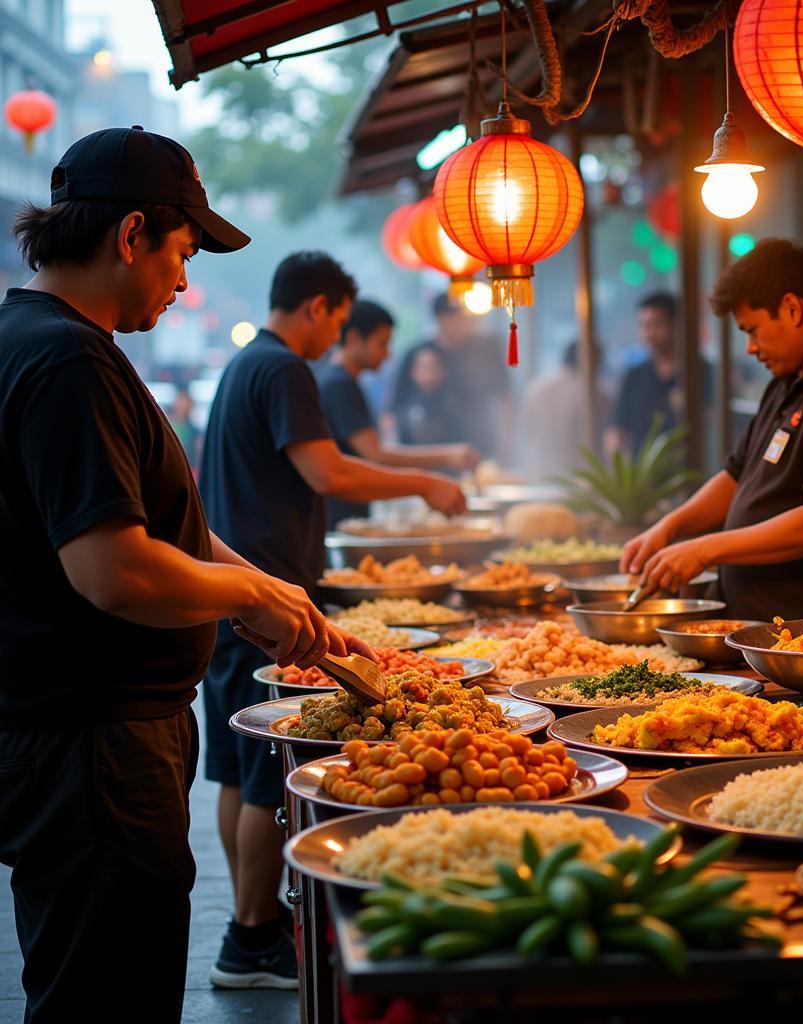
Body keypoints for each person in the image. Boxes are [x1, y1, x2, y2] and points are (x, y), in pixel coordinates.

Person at [0, 127, 359, 1024]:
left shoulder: (41, 339)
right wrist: (252, 592)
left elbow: (176, 533)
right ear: (131, 237)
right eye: (183, 253)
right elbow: (113, 571)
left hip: (89, 743)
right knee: (107, 997)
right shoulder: (67, 361)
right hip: (93, 751)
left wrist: (279, 598)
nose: (186, 281)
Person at [199, 252, 465, 990]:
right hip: (266, 602)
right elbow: (331, 472)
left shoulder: (246, 361)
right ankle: (253, 938)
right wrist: (428, 482)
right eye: (340, 321)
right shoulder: (286, 368)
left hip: (239, 594)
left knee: (235, 767)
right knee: (261, 779)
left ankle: (247, 925)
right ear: (318, 307)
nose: (336, 337)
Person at [621, 239, 803, 621]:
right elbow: (736, 478)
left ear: (791, 309)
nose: (751, 348)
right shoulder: (786, 383)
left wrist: (705, 549)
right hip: (759, 630)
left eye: (752, 330)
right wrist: (669, 528)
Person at [317, 298, 480, 526]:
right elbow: (376, 455)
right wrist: (445, 458)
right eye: (382, 344)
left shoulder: (344, 381)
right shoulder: (339, 384)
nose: (387, 355)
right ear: (354, 338)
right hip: (342, 516)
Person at [388, 292, 512, 461]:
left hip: (478, 448)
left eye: (467, 318)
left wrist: (505, 447)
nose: (465, 324)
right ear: (441, 319)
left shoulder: (485, 349)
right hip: (428, 453)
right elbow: (395, 408)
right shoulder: (418, 354)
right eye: (458, 318)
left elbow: (505, 398)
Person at [604, 292, 684, 459]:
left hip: (690, 474)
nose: (649, 332)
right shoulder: (634, 375)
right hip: (643, 478)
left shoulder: (701, 372)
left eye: (656, 324)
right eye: (643, 325)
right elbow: (617, 429)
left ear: (677, 324)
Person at [521, 340, 612, 480]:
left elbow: (528, 430)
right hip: (581, 479)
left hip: (540, 475)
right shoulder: (598, 393)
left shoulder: (535, 388)